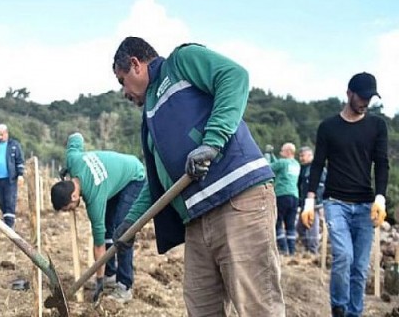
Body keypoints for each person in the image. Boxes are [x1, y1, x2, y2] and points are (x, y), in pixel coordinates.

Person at [111, 37, 284, 316]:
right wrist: (131, 221)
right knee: (201, 308)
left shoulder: (181, 61)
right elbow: (158, 181)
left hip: (237, 200)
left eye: (122, 81)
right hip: (196, 219)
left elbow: (234, 76)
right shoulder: (151, 115)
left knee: (255, 305)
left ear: (135, 64)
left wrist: (212, 142)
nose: (124, 92)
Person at [301, 72, 389, 317]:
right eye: (361, 97)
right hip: (335, 202)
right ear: (349, 93)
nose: (365, 103)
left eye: (369, 98)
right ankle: (339, 308)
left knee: (360, 268)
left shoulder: (377, 126)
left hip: (364, 204)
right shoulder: (328, 127)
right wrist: (309, 201)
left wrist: (380, 197)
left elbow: (382, 163)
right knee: (344, 257)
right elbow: (317, 164)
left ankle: (354, 313)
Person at [50, 132, 145, 303]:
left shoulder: (94, 198)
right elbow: (76, 136)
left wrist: (98, 281)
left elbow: (99, 244)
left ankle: (124, 286)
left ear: (73, 197)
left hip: (134, 177)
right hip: (113, 181)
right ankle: (110, 275)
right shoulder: (73, 160)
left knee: (123, 232)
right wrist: (67, 166)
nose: (69, 211)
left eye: (67, 209)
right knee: (109, 229)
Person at [0, 124, 24, 229]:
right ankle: (6, 223)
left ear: (6, 133)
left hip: (10, 178)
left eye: (1, 135)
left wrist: (20, 175)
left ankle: (9, 225)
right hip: (0, 178)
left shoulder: (14, 145)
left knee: (9, 200)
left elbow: (19, 161)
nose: (0, 137)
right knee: (1, 202)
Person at [268, 142, 301, 256]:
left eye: (282, 151)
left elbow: (269, 167)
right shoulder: (296, 164)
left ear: (288, 152)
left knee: (278, 222)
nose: (281, 153)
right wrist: (274, 157)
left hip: (282, 195)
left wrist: (268, 156)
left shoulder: (282, 163)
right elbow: (279, 165)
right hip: (294, 196)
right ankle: (292, 250)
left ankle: (283, 248)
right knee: (290, 224)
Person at [296, 146, 326, 254]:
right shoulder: (303, 169)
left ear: (310, 155)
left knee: (312, 226)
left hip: (314, 203)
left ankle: (313, 250)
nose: (301, 158)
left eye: (303, 156)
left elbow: (321, 186)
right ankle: (307, 246)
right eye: (300, 156)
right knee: (300, 227)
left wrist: (316, 200)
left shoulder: (317, 168)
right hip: (305, 203)